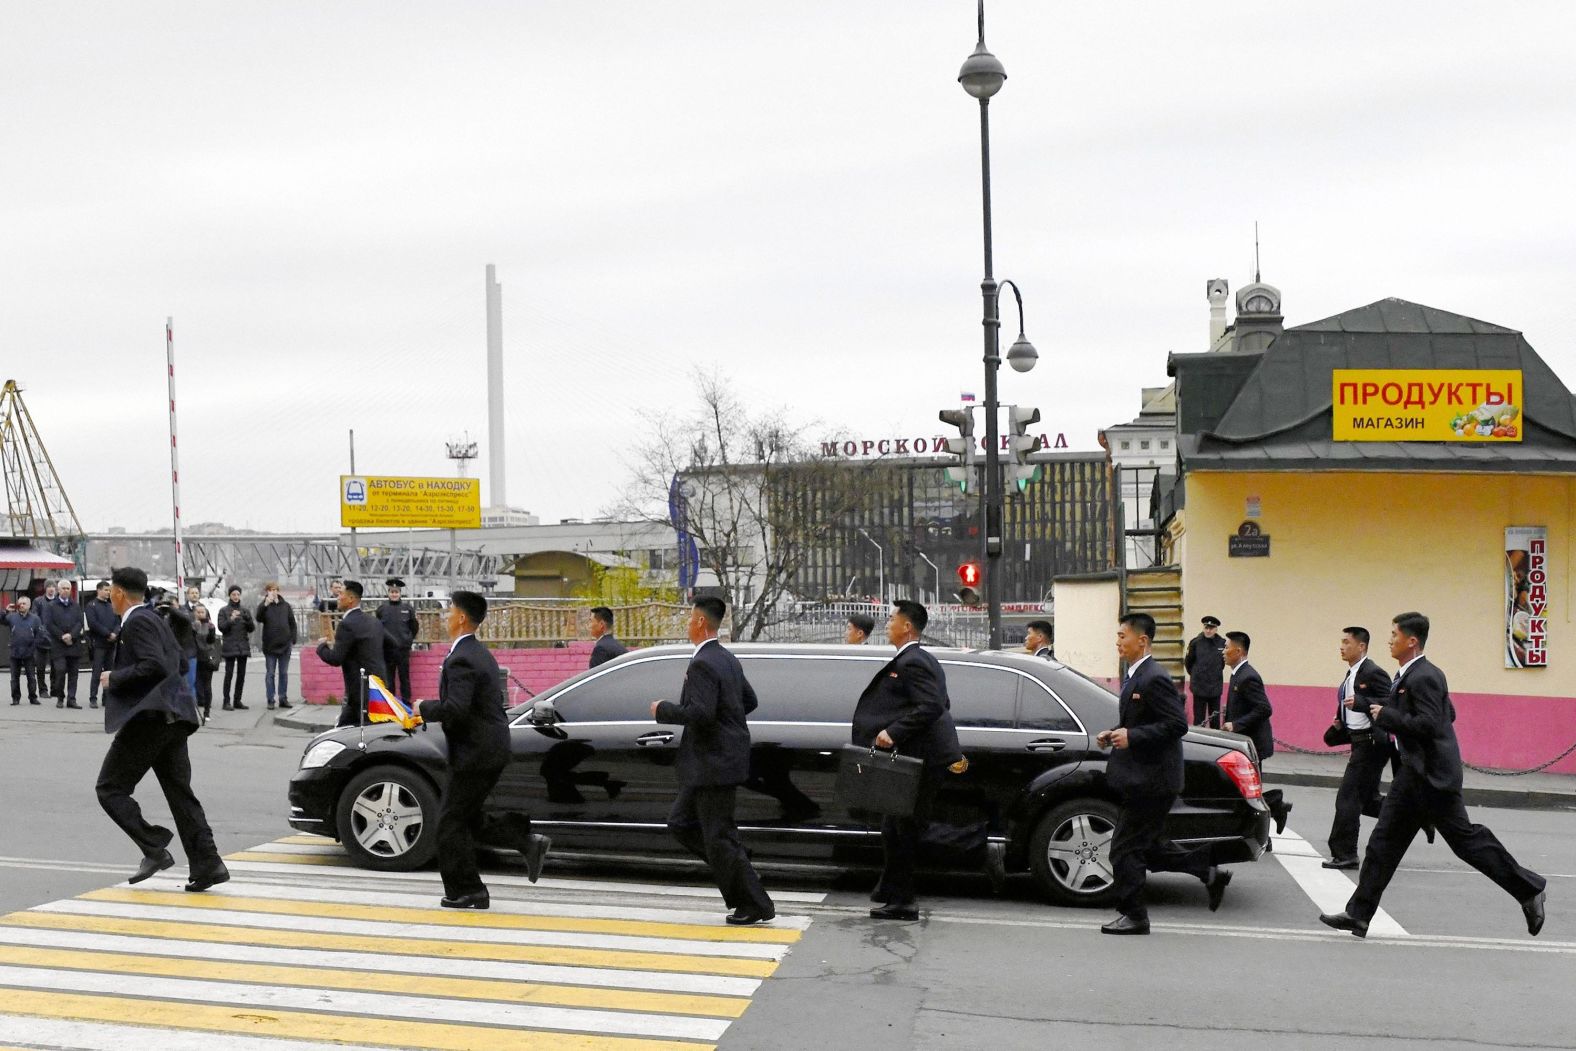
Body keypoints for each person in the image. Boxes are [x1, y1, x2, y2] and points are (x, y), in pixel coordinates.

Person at [1321, 613, 1547, 939]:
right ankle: (1359, 915)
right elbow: (1447, 713)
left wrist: (1387, 716)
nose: (1389, 640)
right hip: (1414, 776)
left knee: (1467, 841)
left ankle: (1530, 889)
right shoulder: (1411, 674)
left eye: (1394, 635)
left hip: (1431, 778)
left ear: (1411, 641)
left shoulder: (1423, 676)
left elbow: (1431, 723)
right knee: (1382, 845)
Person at [95, 566, 228, 892]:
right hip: (174, 716)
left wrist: (115, 677)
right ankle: (208, 864)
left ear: (119, 593)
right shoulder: (154, 618)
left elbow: (155, 665)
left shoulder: (138, 621)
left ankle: (154, 847)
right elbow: (180, 664)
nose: (111, 595)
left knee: (110, 788)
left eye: (112, 590)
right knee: (180, 793)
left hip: (151, 718)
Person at [1098, 612, 1230, 935]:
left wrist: (1133, 737)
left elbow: (1177, 725)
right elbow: (1143, 720)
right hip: (1143, 776)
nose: (1118, 641)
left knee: (1123, 848)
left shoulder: (1153, 677)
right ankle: (1207, 869)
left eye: (1122, 636)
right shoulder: (1134, 675)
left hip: (1152, 780)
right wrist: (1116, 732)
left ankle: (1135, 915)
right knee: (1149, 845)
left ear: (1141, 641)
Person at [416, 591, 550, 907]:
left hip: (474, 753)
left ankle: (467, 889)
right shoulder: (479, 653)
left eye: (449, 610)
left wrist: (425, 708)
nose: (445, 616)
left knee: (449, 823)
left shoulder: (462, 657)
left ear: (462, 617)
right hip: (486, 748)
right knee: (467, 818)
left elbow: (457, 708)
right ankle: (526, 841)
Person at [651, 596, 775, 925]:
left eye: (690, 618)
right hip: (714, 763)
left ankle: (753, 902)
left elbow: (701, 714)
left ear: (701, 622)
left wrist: (662, 709)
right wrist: (727, 722)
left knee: (718, 836)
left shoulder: (703, 663)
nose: (687, 623)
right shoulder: (727, 659)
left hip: (712, 764)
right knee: (681, 824)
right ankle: (737, 862)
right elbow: (748, 700)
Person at [853, 599, 963, 922]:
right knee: (894, 826)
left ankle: (903, 902)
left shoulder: (913, 661)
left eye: (891, 620)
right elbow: (939, 700)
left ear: (907, 627)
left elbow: (931, 706)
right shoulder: (918, 659)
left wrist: (894, 731)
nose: (887, 625)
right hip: (918, 756)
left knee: (903, 829)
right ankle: (890, 888)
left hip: (922, 758)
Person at [1321, 627, 1395, 869]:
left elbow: (1393, 703)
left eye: (1346, 642)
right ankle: (1416, 813)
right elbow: (1351, 705)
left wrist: (1362, 702)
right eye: (1341, 642)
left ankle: (1345, 854)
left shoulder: (1373, 672)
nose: (1341, 646)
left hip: (1372, 744)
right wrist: (1340, 721)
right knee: (1368, 800)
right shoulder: (1351, 673)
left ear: (1361, 646)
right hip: (1358, 741)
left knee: (1347, 798)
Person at [1221, 631, 1292, 836]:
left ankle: (1274, 809)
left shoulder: (1248, 676)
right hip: (1243, 744)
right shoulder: (1238, 673)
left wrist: (1236, 725)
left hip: (1253, 745)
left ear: (1239, 651)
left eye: (1227, 647)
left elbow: (1264, 709)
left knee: (1249, 794)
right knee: (1245, 791)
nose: (1224, 652)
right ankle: (1274, 811)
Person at [315, 580, 387, 728]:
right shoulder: (374, 622)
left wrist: (321, 647)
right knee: (365, 731)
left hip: (358, 692)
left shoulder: (347, 624)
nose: (337, 597)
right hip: (378, 687)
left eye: (340, 593)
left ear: (351, 599)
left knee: (351, 735)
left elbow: (336, 658)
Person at [42, 579, 86, 709]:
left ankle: (71, 699)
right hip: (58, 645)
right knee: (60, 671)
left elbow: (80, 622)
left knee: (74, 673)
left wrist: (71, 635)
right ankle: (60, 697)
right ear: (58, 590)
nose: (66, 590)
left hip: (74, 643)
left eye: (68, 588)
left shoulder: (76, 605)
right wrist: (62, 636)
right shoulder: (51, 606)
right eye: (63, 588)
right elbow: (49, 624)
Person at [254, 582, 297, 710]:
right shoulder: (264, 606)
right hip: (270, 645)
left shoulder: (285, 606)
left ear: (278, 591)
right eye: (270, 590)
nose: (273, 592)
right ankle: (270, 699)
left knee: (283, 673)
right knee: (270, 673)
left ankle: (283, 698)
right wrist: (265, 604)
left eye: (275, 589)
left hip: (285, 644)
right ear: (267, 592)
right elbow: (258, 618)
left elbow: (292, 623)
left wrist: (293, 639)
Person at [376, 578, 420, 700]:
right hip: (387, 650)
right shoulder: (382, 609)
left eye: (396, 592)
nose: (394, 594)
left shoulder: (408, 608)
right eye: (392, 592)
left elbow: (414, 627)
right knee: (388, 679)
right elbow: (378, 628)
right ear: (388, 593)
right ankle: (391, 705)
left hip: (403, 650)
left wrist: (408, 641)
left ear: (400, 593)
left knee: (404, 678)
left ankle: (406, 703)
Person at [1183, 616, 1226, 727]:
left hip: (1215, 688)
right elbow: (1188, 663)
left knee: (1215, 721)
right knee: (1199, 720)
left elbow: (1222, 664)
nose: (1208, 630)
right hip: (1199, 688)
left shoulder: (1222, 643)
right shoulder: (1195, 643)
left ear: (1216, 629)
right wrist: (1197, 675)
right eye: (1206, 627)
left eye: (1211, 628)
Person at [218, 585, 254, 710]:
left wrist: (248, 619)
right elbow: (221, 627)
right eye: (233, 594)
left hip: (242, 646)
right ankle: (226, 701)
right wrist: (231, 619)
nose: (236, 597)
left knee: (241, 675)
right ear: (230, 595)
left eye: (238, 594)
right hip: (229, 646)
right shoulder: (223, 611)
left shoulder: (244, 610)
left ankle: (237, 700)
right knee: (229, 674)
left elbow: (252, 628)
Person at [85, 580, 119, 710]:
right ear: (98, 590)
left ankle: (107, 698)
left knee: (109, 673)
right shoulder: (91, 606)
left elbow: (118, 622)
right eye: (106, 590)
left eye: (109, 590)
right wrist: (107, 634)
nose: (108, 592)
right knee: (97, 672)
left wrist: (115, 633)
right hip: (99, 643)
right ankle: (93, 698)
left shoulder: (112, 606)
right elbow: (93, 623)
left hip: (111, 644)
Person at [7, 596, 43, 705]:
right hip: (15, 651)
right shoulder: (11, 617)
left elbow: (40, 635)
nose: (21, 605)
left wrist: (33, 646)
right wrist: (5, 610)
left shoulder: (35, 619)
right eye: (20, 603)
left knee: (31, 677)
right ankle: (15, 698)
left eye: (24, 603)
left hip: (29, 652)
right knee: (14, 677)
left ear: (29, 605)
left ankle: (33, 697)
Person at [191, 602, 221, 722]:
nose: (200, 614)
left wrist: (210, 630)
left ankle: (207, 711)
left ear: (206, 613)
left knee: (207, 685)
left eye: (202, 612)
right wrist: (194, 628)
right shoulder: (191, 625)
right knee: (194, 684)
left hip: (207, 658)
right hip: (194, 657)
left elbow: (211, 641)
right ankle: (194, 710)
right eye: (198, 612)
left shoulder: (210, 626)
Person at [34, 583, 56, 698]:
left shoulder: (58, 601)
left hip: (56, 638)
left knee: (56, 666)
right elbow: (35, 617)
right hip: (41, 638)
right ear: (45, 588)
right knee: (41, 667)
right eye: (49, 586)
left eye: (53, 587)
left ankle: (54, 689)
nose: (51, 589)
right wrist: (42, 632)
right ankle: (42, 690)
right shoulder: (38, 601)